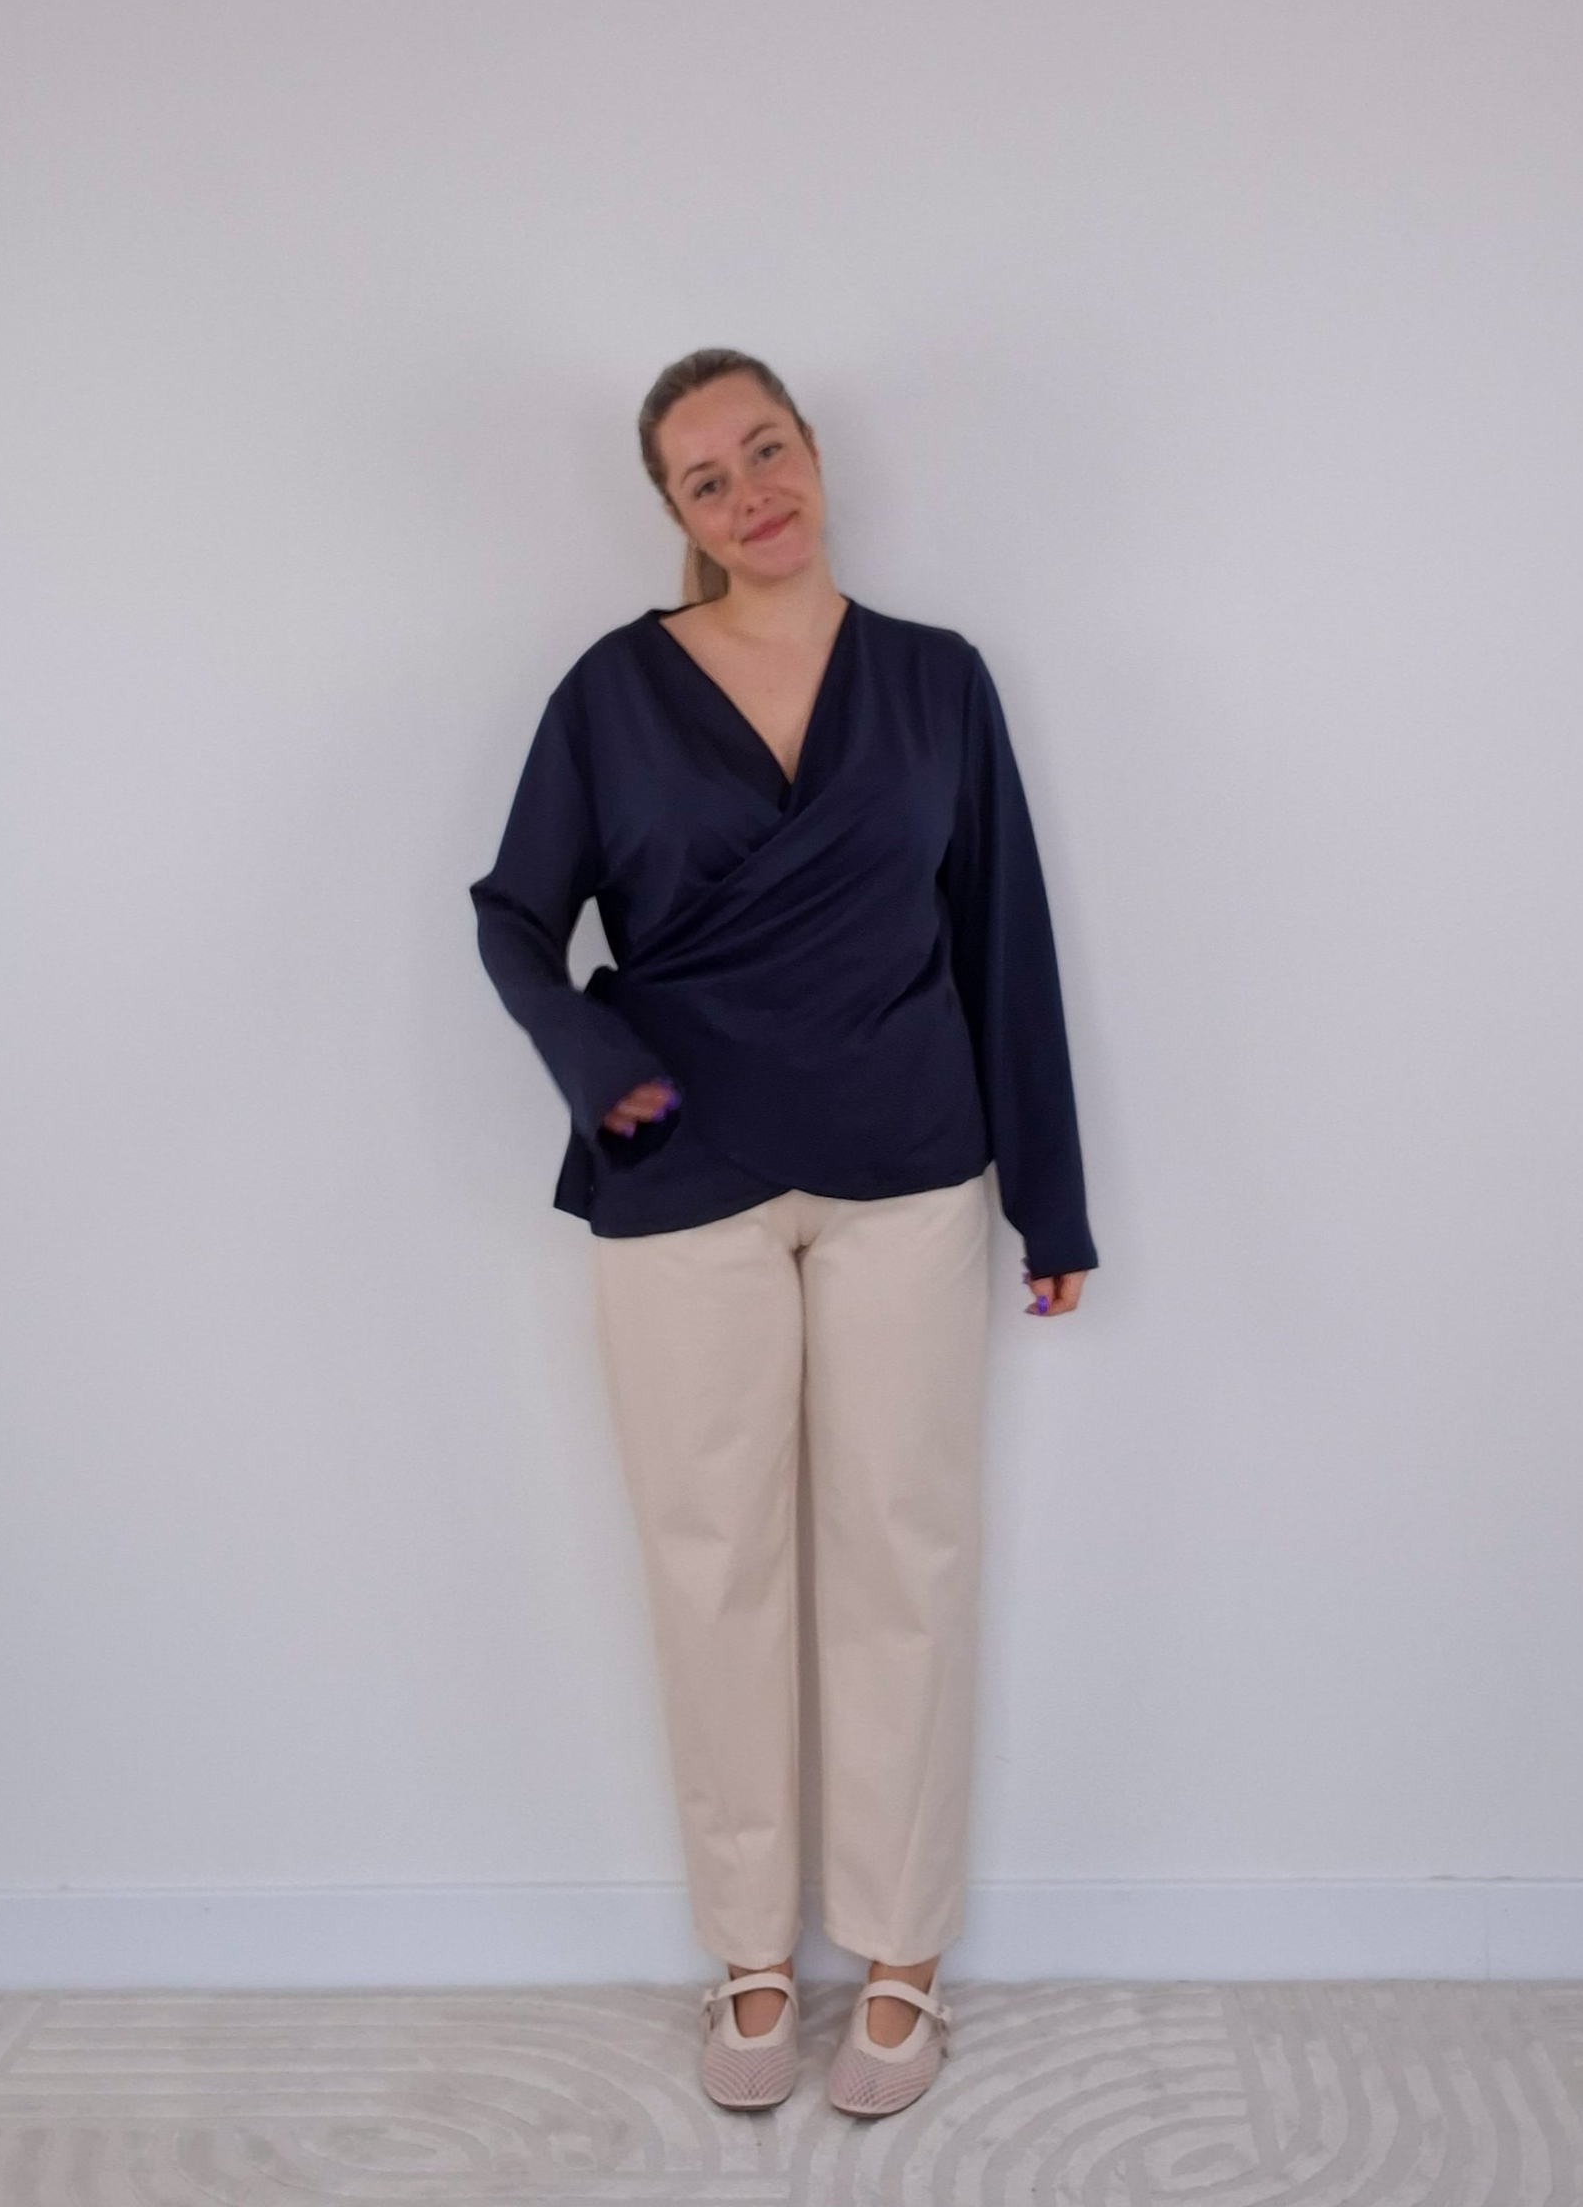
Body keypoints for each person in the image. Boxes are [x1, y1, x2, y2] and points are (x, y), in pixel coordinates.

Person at [470, 348, 1096, 2117]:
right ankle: (751, 1956)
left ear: (813, 453)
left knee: (905, 1557)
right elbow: (514, 916)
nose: (749, 492)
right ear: (673, 513)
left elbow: (1002, 939)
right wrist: (601, 1068)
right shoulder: (610, 692)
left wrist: (1048, 1196)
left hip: (907, 1168)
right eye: (705, 478)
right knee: (713, 1568)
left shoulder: (936, 679)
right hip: (683, 1181)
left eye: (765, 449)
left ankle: (898, 1958)